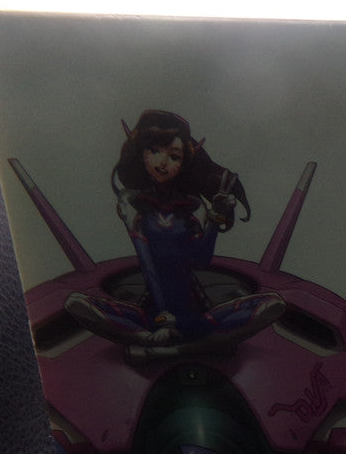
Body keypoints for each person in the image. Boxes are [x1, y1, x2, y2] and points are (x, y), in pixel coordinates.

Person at [64, 110, 281, 349]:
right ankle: (167, 342)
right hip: (154, 311)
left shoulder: (195, 206)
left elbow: (201, 259)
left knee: (273, 305)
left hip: (191, 309)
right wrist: (163, 317)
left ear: (183, 162)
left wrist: (215, 218)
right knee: (76, 304)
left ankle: (167, 345)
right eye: (155, 151)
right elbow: (148, 264)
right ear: (141, 154)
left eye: (174, 156)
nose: (163, 162)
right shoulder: (132, 203)